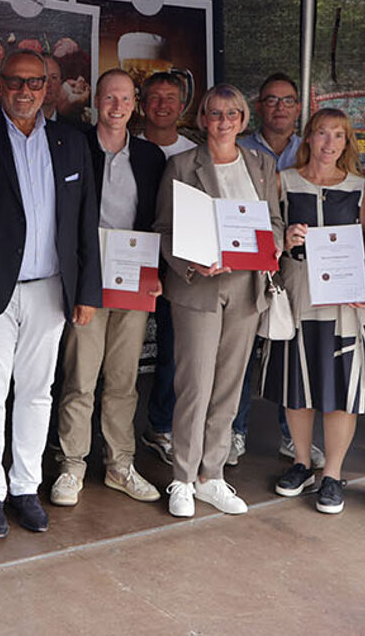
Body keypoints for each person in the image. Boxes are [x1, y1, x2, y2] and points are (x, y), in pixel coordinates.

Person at [0, 50, 101, 539]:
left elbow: (85, 224)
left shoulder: (72, 144)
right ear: (0, 85)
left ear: (49, 87)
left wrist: (86, 290)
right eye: (15, 82)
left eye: (35, 83)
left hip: (51, 289)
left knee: (36, 393)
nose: (25, 91)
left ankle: (25, 487)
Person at [154, 84, 284, 519]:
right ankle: (183, 477)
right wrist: (192, 264)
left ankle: (212, 475)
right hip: (198, 286)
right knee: (194, 385)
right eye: (215, 113)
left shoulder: (262, 165)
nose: (224, 121)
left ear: (244, 120)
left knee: (229, 386)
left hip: (247, 287)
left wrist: (275, 247)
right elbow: (165, 230)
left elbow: (276, 222)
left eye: (233, 113)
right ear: (203, 119)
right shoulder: (181, 165)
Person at [52, 69, 166, 507]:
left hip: (134, 280)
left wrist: (156, 274)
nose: (116, 107)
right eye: (109, 98)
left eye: (124, 99)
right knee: (80, 376)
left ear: (134, 103)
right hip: (88, 277)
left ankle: (120, 463)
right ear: (95, 100)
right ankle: (72, 464)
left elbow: (158, 220)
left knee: (123, 378)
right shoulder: (73, 145)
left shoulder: (151, 156)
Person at [262, 108, 365, 515]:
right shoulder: (283, 182)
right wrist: (284, 239)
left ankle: (333, 473)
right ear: (308, 137)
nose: (329, 143)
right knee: (299, 383)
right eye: (322, 133)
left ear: (347, 143)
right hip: (299, 293)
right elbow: (267, 235)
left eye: (338, 136)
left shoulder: (361, 187)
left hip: (345, 301)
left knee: (341, 388)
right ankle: (301, 463)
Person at [234, 72, 314, 469]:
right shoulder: (238, 147)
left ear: (298, 108)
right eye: (271, 100)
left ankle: (290, 436)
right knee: (241, 352)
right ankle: (235, 432)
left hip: (297, 267)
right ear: (258, 107)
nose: (279, 107)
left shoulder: (310, 151)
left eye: (287, 100)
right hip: (248, 265)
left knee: (289, 351)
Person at [138, 71, 196, 465]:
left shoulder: (193, 152)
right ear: (142, 103)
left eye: (170, 98)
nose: (162, 105)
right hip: (130, 261)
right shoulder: (126, 144)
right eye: (154, 97)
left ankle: (160, 425)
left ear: (183, 105)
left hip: (177, 265)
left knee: (173, 351)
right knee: (117, 355)